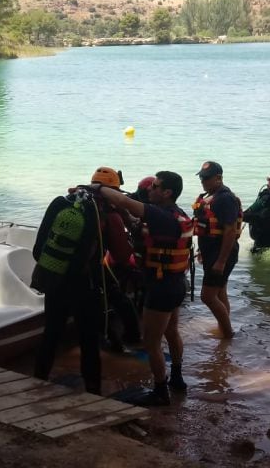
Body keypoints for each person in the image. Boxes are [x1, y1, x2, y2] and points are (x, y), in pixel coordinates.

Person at [93, 171, 192, 406]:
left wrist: (96, 189)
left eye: (155, 186)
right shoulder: (176, 215)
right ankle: (176, 379)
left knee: (151, 342)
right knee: (172, 332)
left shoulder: (160, 215)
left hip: (161, 288)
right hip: (175, 284)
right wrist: (127, 219)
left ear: (167, 192)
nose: (150, 189)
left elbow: (125, 202)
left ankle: (160, 391)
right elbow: (138, 225)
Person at [32, 167, 132, 395]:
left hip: (55, 276)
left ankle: (38, 380)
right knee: (89, 339)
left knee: (51, 333)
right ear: (114, 191)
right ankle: (93, 391)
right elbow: (123, 256)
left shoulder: (66, 202)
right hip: (85, 284)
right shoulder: (107, 213)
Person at [192, 161, 242, 339]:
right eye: (201, 178)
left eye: (206, 178)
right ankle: (224, 329)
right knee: (220, 293)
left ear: (218, 178)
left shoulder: (224, 199)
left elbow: (229, 231)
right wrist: (202, 251)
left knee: (207, 296)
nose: (203, 181)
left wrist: (220, 261)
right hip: (213, 252)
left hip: (222, 255)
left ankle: (228, 334)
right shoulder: (211, 196)